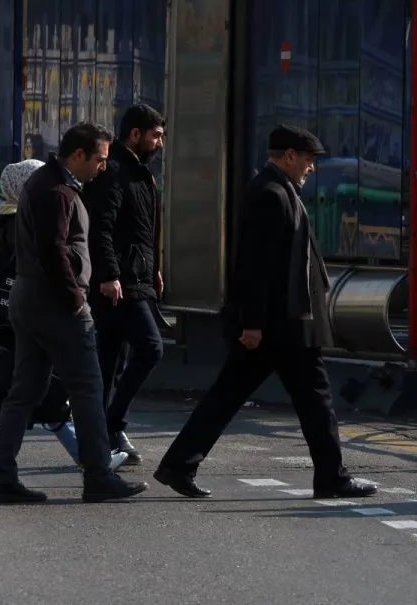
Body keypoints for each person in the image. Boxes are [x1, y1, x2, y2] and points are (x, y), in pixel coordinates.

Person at [153, 125, 378, 501]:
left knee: (235, 395)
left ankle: (179, 464)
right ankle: (331, 477)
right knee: (313, 398)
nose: (310, 168)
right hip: (279, 324)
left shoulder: (277, 190)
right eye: (307, 159)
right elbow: (254, 267)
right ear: (289, 155)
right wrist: (253, 322)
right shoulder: (271, 195)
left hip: (279, 321)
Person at [0, 158, 126, 486]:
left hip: (6, 319)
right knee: (3, 391)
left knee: (36, 391)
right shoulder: (21, 223)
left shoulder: (4, 221)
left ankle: (88, 456)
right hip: (15, 321)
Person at [0, 123, 146, 504]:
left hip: (31, 298)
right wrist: (75, 297)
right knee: (88, 387)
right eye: (100, 159)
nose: (103, 167)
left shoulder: (46, 183)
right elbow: (53, 250)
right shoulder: (57, 191)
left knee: (24, 391)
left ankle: (2, 476)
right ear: (78, 156)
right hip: (54, 302)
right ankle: (98, 474)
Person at [84, 103, 167, 466]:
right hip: (119, 282)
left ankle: (101, 437)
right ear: (136, 134)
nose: (160, 143)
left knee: (111, 362)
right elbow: (100, 227)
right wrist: (108, 275)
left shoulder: (139, 172)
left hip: (135, 278)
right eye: (156, 136)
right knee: (150, 348)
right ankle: (111, 424)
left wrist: (155, 270)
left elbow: (143, 230)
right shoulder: (115, 171)